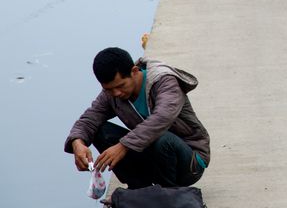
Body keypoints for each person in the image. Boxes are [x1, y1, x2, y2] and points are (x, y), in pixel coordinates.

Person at [64, 47, 210, 189]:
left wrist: (123, 146)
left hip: (189, 163)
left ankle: (169, 193)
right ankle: (139, 188)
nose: (116, 93)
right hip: (153, 158)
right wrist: (78, 142)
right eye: (109, 89)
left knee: (163, 139)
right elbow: (89, 119)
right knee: (99, 130)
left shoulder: (165, 81)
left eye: (121, 86)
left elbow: (162, 118)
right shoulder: (111, 94)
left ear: (134, 71)